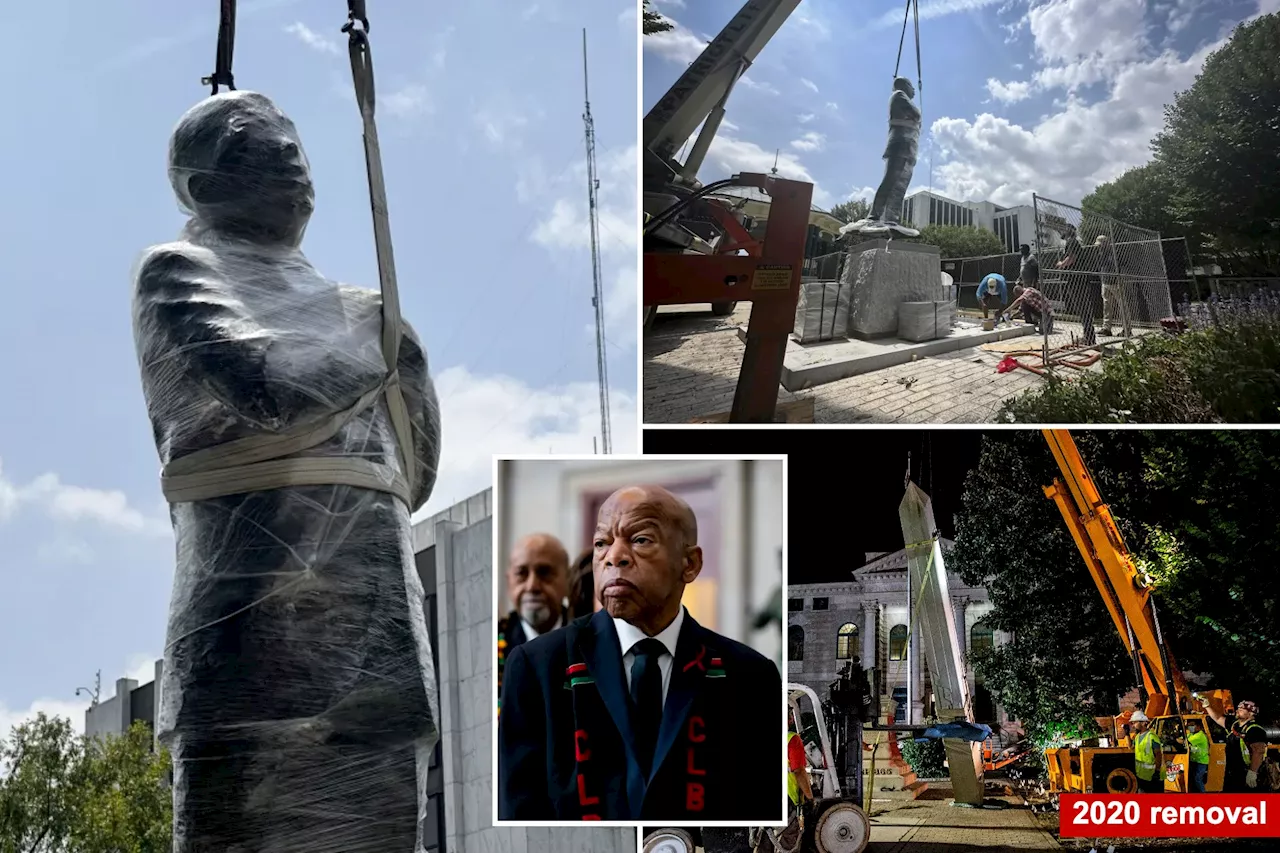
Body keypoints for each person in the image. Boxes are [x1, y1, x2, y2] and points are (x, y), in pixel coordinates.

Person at [134, 92, 441, 850]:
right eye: (252, 142)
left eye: (290, 141)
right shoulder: (178, 269)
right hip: (248, 629)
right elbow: (268, 386)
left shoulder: (362, 308)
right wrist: (381, 345)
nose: (285, 154)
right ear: (199, 181)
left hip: (375, 634)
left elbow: (416, 462)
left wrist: (384, 341)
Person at [498, 485, 782, 821]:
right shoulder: (537, 668)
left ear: (689, 564)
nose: (614, 556)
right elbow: (519, 820)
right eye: (602, 543)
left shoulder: (750, 676)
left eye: (641, 540)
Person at [498, 534, 572, 716]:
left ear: (568, 580)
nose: (532, 586)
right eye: (522, 574)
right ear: (509, 582)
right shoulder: (493, 640)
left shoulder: (591, 639)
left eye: (544, 573)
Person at [839, 77, 922, 238]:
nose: (914, 92)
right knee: (891, 181)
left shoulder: (901, 96)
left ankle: (891, 219)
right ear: (905, 86)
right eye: (912, 87)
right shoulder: (898, 94)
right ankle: (873, 217)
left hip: (908, 148)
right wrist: (916, 117)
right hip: (900, 145)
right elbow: (916, 113)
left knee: (900, 186)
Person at [1203, 699, 1269, 792]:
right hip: (1232, 772)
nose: (1238, 711)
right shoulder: (1235, 725)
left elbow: (1258, 751)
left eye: (1241, 710)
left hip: (1245, 773)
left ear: (1251, 713)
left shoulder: (1255, 730)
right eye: (1238, 709)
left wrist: (1252, 772)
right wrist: (1207, 706)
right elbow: (1217, 718)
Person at [1054, 224, 1096, 344]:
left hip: (1076, 280)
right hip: (1077, 279)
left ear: (1068, 231)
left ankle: (1089, 337)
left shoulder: (1072, 242)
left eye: (1063, 229)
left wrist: (1061, 264)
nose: (1061, 231)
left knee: (1083, 308)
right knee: (1083, 309)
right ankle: (1088, 336)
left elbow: (1072, 258)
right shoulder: (1072, 242)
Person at [1093, 234, 1132, 338]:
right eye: (1099, 245)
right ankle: (1106, 328)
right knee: (1107, 306)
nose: (1099, 247)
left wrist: (1120, 279)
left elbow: (1123, 266)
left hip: (1116, 282)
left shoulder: (1115, 253)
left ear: (1107, 244)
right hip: (1105, 282)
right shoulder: (1100, 254)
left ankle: (1127, 329)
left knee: (1122, 306)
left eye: (1101, 245)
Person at [1129, 711, 1164, 793]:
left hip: (1152, 776)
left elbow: (1158, 754)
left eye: (1135, 722)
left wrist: (1157, 771)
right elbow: (1130, 747)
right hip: (1141, 775)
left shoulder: (1152, 736)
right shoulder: (1137, 737)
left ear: (1143, 723)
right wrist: (1127, 734)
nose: (1133, 725)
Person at [788, 723, 814, 823]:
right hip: (788, 798)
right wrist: (810, 798)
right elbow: (799, 771)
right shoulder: (792, 739)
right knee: (786, 836)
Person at [1185, 718, 1210, 793]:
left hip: (1201, 761)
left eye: (1192, 725)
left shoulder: (1200, 736)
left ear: (1198, 726)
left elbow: (1185, 741)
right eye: (1189, 726)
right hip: (1194, 760)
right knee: (1193, 780)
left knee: (1198, 779)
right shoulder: (1191, 734)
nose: (1190, 727)